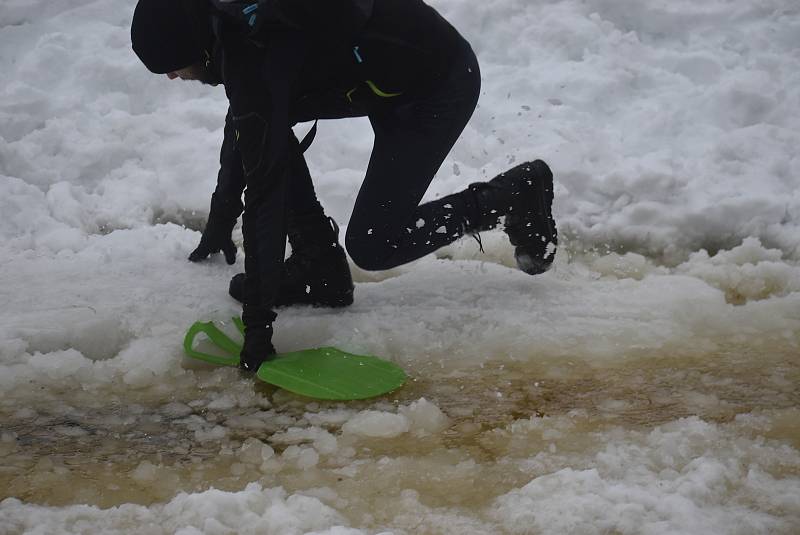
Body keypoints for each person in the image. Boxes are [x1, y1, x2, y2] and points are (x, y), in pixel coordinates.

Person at [131, 0, 557, 371]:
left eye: (170, 63)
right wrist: (220, 222)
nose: (171, 77)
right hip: (382, 80)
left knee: (375, 244)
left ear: (190, 43)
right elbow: (248, 128)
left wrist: (257, 327)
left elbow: (265, 190)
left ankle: (513, 194)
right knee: (266, 130)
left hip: (438, 86)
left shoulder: (256, 40)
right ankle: (319, 267)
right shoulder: (233, 25)